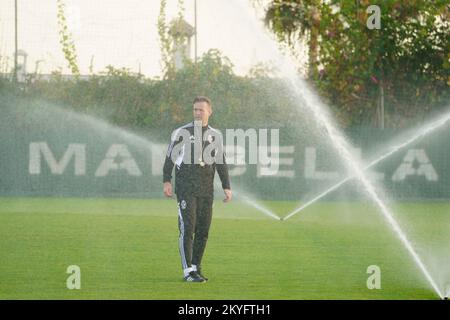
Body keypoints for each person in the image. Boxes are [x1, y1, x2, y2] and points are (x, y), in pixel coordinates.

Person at [163, 96, 232, 282]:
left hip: (206, 190)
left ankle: (196, 267)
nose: (197, 113)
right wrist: (166, 181)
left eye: (201, 110)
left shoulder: (215, 135)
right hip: (186, 188)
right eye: (195, 110)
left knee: (203, 230)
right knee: (188, 227)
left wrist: (227, 186)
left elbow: (221, 162)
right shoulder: (182, 132)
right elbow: (170, 157)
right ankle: (187, 272)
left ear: (210, 111)